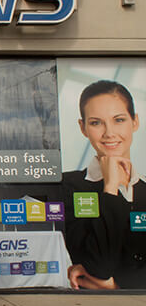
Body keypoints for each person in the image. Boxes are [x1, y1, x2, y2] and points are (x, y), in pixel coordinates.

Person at [62, 80, 146, 289]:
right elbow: (100, 266)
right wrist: (110, 188)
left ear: (134, 122)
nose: (109, 132)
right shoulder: (68, 186)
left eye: (118, 120)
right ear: (83, 128)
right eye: (96, 123)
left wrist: (115, 287)